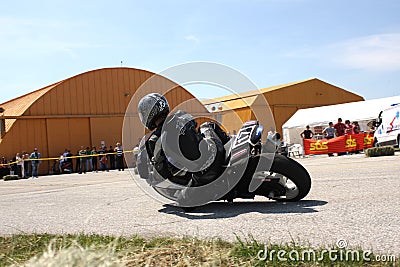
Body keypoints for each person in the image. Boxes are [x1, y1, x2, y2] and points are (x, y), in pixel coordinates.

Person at [137, 93, 228, 187]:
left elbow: (162, 172)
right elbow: (194, 126)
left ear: (148, 113)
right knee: (207, 125)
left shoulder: (154, 139)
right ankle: (230, 146)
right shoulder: (182, 115)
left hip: (198, 174)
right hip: (213, 156)